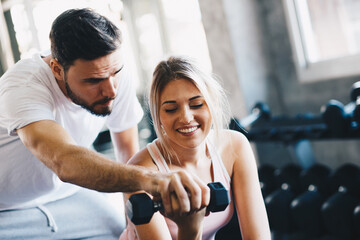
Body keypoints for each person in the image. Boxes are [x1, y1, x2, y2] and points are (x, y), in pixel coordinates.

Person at [0, 9, 209, 239]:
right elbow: (64, 161)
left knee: (119, 232)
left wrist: (134, 226)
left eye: (115, 72)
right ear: (57, 69)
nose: (111, 90)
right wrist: (155, 180)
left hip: (69, 196)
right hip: (5, 208)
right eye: (94, 80)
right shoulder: (23, 86)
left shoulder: (113, 75)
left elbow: (127, 154)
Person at [120, 56, 271, 240]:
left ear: (213, 103)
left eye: (196, 104)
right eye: (171, 109)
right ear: (158, 115)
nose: (186, 117)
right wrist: (190, 228)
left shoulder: (235, 146)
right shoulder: (141, 171)